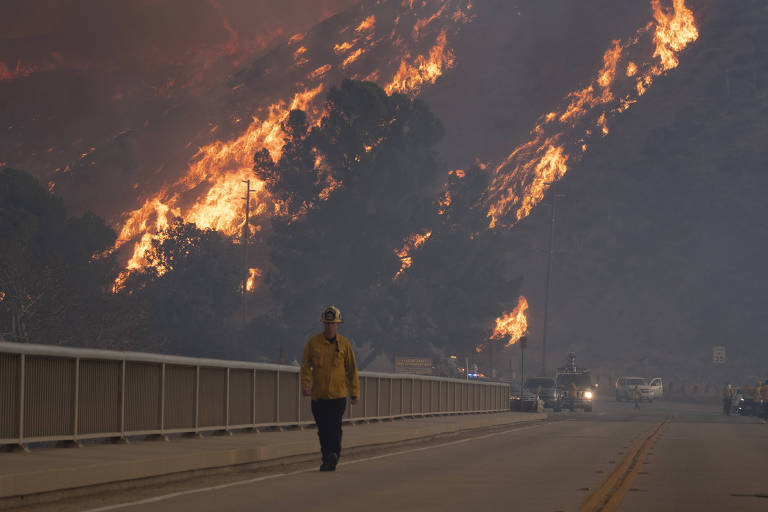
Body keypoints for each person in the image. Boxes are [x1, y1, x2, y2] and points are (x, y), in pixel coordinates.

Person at [300, 306, 360, 472]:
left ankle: (334, 454)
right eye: (327, 324)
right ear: (323, 324)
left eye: (333, 323)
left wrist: (354, 393)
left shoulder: (344, 345)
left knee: (334, 427)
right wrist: (305, 384)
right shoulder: (313, 343)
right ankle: (327, 457)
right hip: (319, 395)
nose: (330, 327)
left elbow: (351, 369)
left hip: (338, 395)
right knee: (323, 430)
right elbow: (306, 366)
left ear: (337, 324)